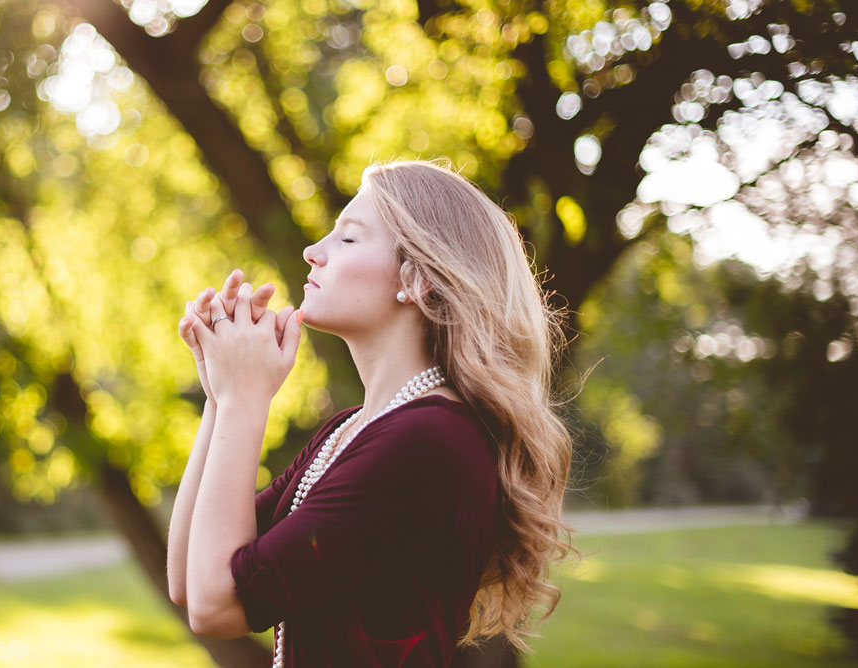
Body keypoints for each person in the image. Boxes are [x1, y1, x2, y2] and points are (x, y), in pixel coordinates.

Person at [166, 159, 578, 667]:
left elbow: (218, 605)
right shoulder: (351, 430)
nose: (312, 251)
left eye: (348, 238)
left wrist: (244, 401)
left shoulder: (428, 440)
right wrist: (220, 393)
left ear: (420, 280)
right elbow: (189, 578)